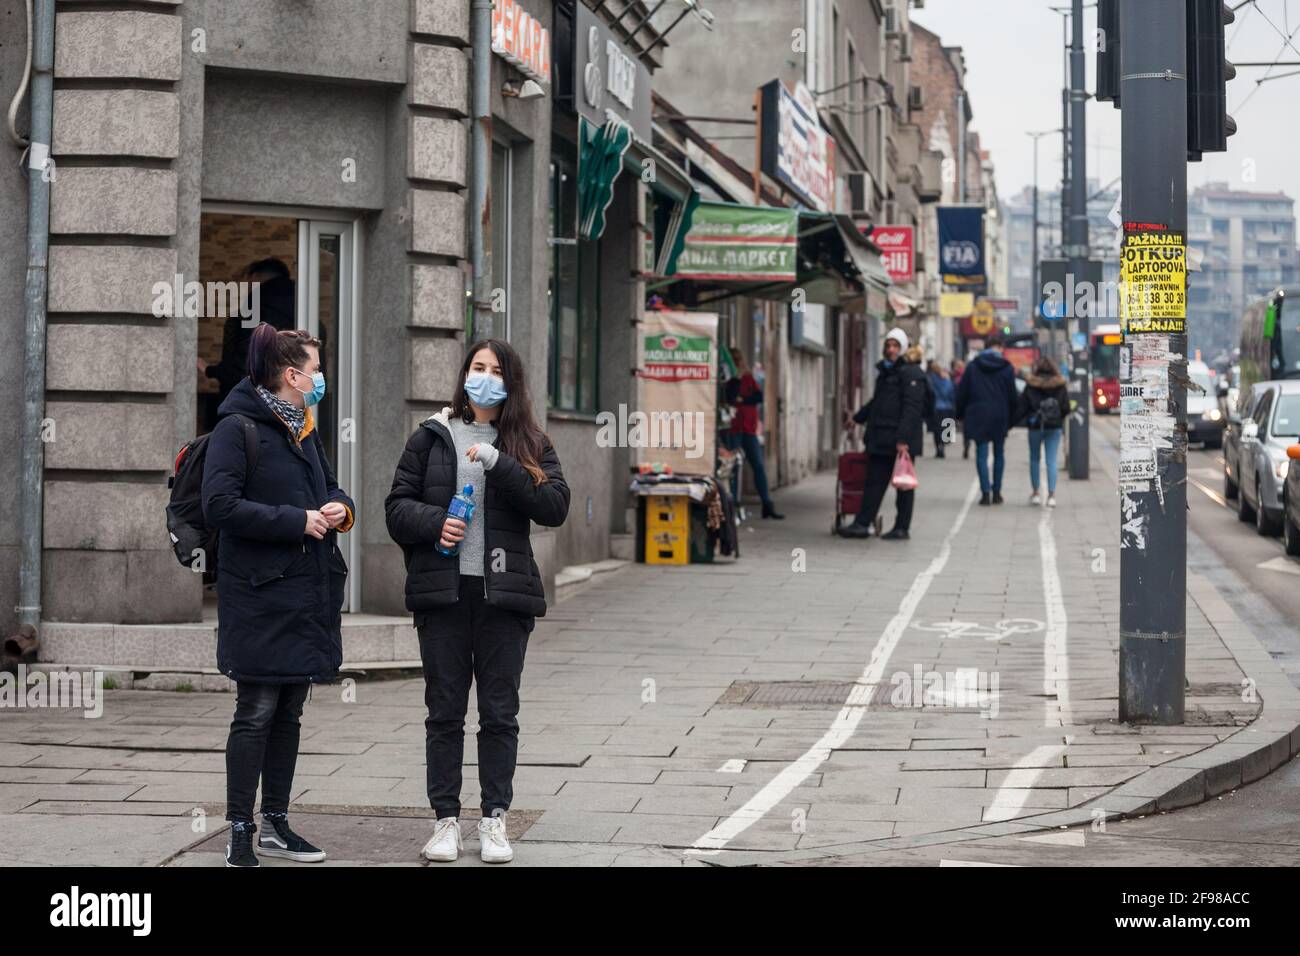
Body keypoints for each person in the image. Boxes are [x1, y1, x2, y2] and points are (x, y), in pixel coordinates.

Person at [385, 339, 569, 864]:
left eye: (495, 370)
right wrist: (435, 522)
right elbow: (396, 508)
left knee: (499, 714)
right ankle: (445, 821)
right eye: (477, 367)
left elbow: (554, 506)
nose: (484, 377)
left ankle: (494, 819)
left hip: (503, 597)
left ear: (511, 382)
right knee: (444, 712)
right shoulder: (431, 436)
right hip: (443, 594)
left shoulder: (529, 441)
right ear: (464, 373)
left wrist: (500, 464)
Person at [201, 323, 355, 868]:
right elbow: (219, 505)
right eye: (315, 369)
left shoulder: (302, 427)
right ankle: (240, 830)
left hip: (304, 594)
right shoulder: (237, 428)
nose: (320, 378)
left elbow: (331, 487)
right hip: (258, 596)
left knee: (289, 711)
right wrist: (297, 520)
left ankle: (276, 824)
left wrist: (340, 509)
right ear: (292, 374)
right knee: (256, 711)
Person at [840, 328, 926, 540]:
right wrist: (858, 418)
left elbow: (912, 409)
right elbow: (877, 402)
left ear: (903, 348)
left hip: (898, 440)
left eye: (895, 346)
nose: (891, 350)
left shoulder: (911, 374)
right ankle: (863, 523)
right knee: (874, 482)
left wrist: (903, 439)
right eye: (888, 345)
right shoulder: (887, 373)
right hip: (882, 437)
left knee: (903, 485)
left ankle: (900, 527)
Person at [199, 258, 297, 404]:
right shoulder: (304, 304)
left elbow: (243, 364)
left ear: (255, 277)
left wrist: (209, 370)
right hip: (298, 399)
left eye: (248, 282)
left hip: (257, 403)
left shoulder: (256, 309)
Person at [955, 334, 1018, 506]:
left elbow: (962, 392)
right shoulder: (1007, 367)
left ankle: (985, 493)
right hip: (1000, 415)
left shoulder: (973, 366)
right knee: (999, 454)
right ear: (1000, 348)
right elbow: (1013, 396)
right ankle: (997, 492)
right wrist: (1012, 418)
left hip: (978, 414)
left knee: (981, 454)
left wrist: (959, 414)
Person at [723, 347, 783, 519]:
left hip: (749, 428)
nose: (738, 364)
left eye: (739, 360)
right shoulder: (730, 379)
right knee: (734, 467)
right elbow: (730, 397)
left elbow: (758, 397)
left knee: (758, 465)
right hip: (734, 427)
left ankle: (767, 503)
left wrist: (742, 399)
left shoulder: (748, 378)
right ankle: (732, 503)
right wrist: (737, 383)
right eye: (735, 361)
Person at [1018, 355, 1069, 508]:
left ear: (1037, 369)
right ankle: (1051, 496)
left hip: (1035, 426)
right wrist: (1058, 419)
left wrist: (1019, 420)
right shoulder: (1060, 385)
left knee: (1034, 459)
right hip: (1054, 427)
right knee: (1051, 460)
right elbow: (1066, 407)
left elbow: (1022, 406)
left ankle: (1035, 494)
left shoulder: (1031, 385)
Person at [926, 361, 956, 458]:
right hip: (947, 407)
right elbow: (951, 395)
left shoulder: (931, 380)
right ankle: (942, 446)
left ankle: (938, 447)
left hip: (935, 407)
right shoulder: (948, 382)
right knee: (945, 428)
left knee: (936, 429)